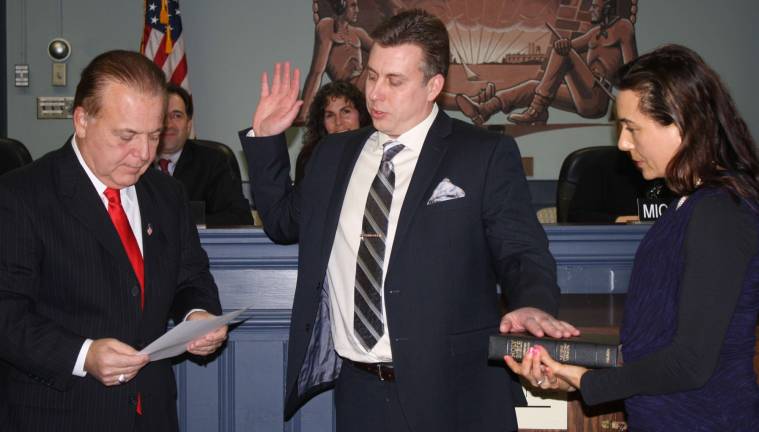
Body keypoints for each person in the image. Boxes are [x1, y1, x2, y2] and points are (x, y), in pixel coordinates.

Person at [241, 9, 578, 432]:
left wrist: (531, 301)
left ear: (433, 86)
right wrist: (267, 140)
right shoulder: (332, 155)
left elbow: (521, 250)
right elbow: (281, 223)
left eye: (394, 81)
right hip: (359, 391)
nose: (375, 94)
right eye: (373, 76)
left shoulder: (482, 155)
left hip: (457, 393)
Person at [506, 44, 759, 431]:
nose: (623, 143)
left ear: (680, 122)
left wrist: (587, 381)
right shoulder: (687, 207)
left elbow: (689, 363)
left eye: (632, 127)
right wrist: (573, 374)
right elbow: (655, 347)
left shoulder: (719, 212)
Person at [0, 50, 227, 431]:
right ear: (82, 120)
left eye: (155, 136)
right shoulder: (20, 196)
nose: (144, 154)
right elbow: (6, 314)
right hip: (60, 414)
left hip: (152, 414)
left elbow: (191, 278)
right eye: (127, 136)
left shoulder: (167, 195)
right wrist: (83, 354)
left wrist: (197, 316)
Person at [456, 0, 637, 125]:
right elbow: (571, 47)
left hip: (598, 95)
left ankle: (538, 110)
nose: (592, 10)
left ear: (608, 7)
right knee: (533, 86)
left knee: (563, 53)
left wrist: (627, 105)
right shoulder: (595, 32)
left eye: (596, 6)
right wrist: (564, 45)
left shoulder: (623, 27)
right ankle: (484, 110)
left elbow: (634, 72)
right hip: (584, 94)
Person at [156, 84, 254, 226]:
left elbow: (241, 217)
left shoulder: (213, 162)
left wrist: (182, 224)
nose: (168, 124)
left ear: (188, 125)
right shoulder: (135, 162)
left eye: (177, 115)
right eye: (162, 116)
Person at [298, 0, 373, 124]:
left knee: (381, 62)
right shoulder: (326, 27)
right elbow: (317, 71)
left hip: (364, 82)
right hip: (348, 88)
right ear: (341, 6)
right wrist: (303, 113)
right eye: (353, 6)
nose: (357, 10)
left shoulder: (358, 32)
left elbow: (384, 50)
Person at [296, 80, 371, 183]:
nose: (338, 122)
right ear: (321, 122)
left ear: (360, 113)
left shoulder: (377, 153)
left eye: (346, 111)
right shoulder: (309, 158)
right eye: (330, 115)